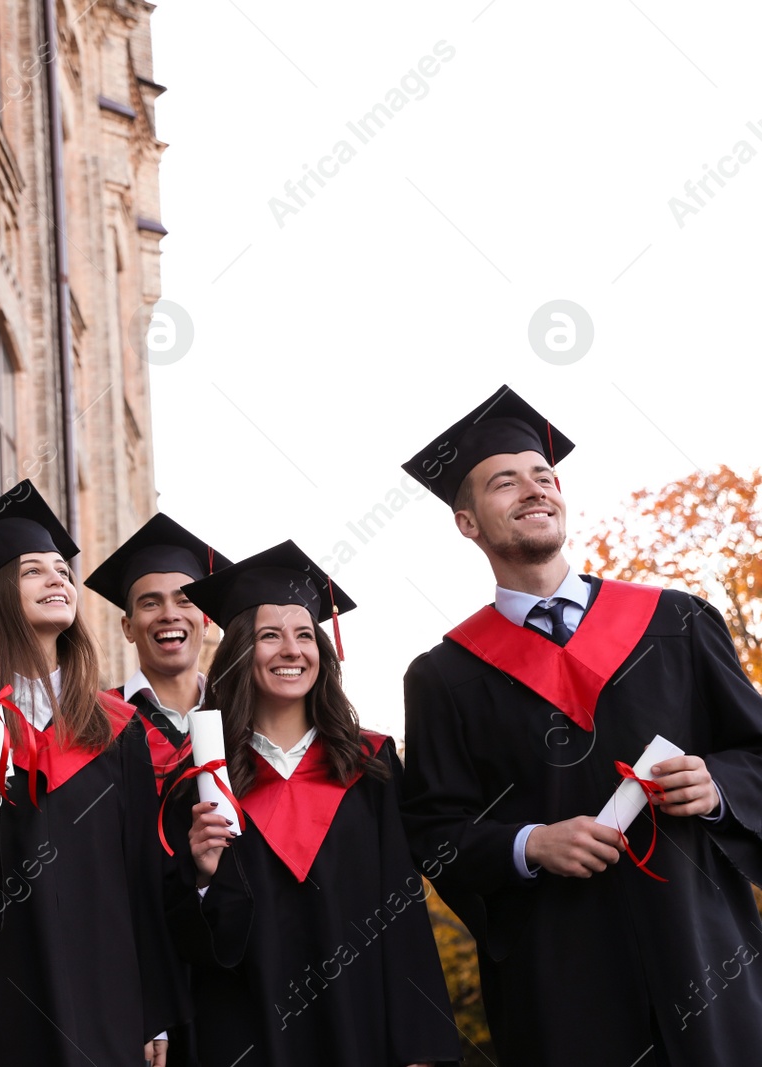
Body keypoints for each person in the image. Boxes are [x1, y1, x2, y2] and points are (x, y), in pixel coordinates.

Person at [398, 385, 762, 1066]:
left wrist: (717, 784)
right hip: (563, 986)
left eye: (543, 477)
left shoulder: (676, 622)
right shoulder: (442, 677)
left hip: (706, 958)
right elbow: (433, 832)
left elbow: (757, 752)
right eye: (504, 482)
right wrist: (529, 843)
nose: (534, 491)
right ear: (468, 522)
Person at [0, 480, 181, 1067]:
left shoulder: (117, 730)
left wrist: (157, 1008)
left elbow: (144, 878)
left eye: (62, 570)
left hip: (102, 1003)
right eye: (33, 571)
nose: (59, 580)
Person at [164, 541, 459, 1067]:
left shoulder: (370, 766)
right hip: (245, 1032)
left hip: (361, 1022)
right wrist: (202, 876)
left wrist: (420, 1045)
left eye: (305, 635)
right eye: (269, 636)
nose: (291, 650)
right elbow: (188, 946)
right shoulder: (199, 781)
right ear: (237, 653)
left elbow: (403, 911)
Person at [85, 512, 225, 786]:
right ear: (128, 628)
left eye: (184, 601)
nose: (169, 614)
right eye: (151, 603)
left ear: (206, 621)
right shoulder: (97, 720)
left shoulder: (238, 716)